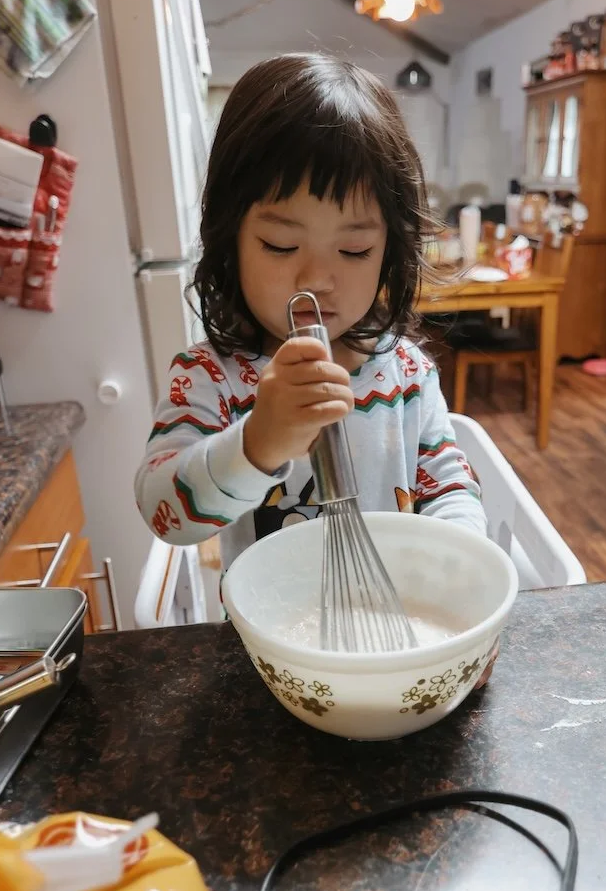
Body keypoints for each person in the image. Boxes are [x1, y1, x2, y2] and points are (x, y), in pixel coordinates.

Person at [135, 53, 486, 573]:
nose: (318, 279)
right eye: (280, 245)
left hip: (390, 629)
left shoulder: (406, 373)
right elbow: (164, 514)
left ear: (389, 252)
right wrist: (258, 443)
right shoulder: (211, 378)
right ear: (230, 241)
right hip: (268, 644)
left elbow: (448, 482)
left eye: (353, 251)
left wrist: (459, 554)